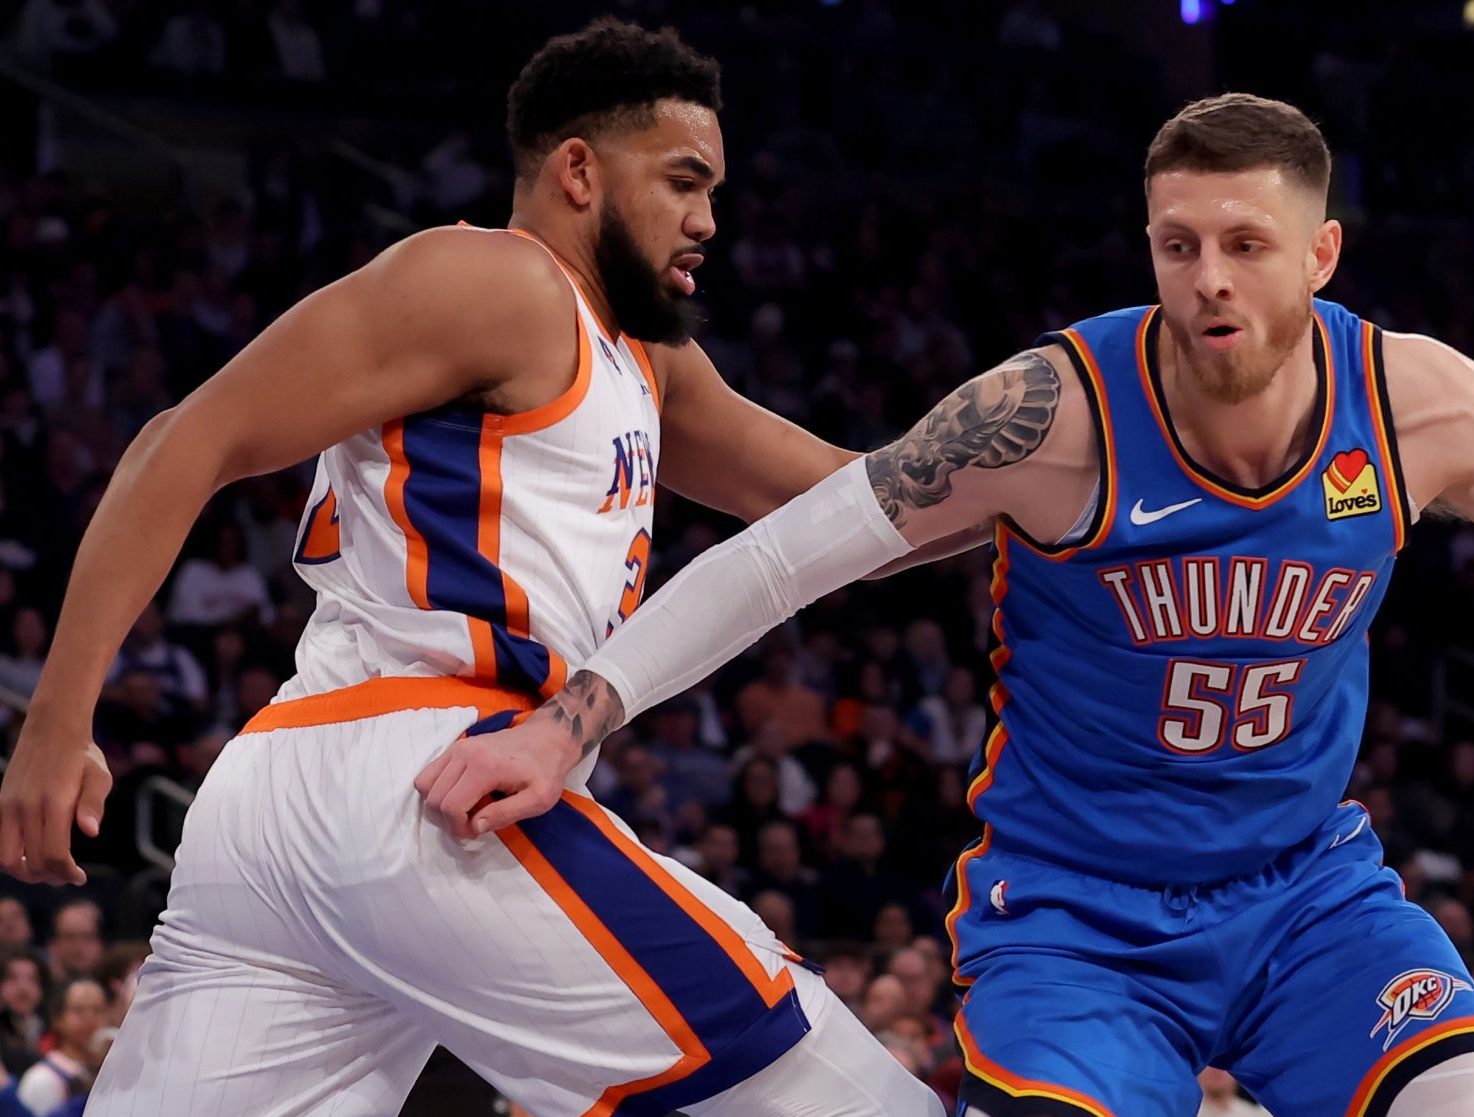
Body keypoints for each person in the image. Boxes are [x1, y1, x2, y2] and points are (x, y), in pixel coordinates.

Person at [421, 94, 1474, 1116]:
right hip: (1077, 913)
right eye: (1177, 243)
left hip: (1304, 893)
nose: (1207, 278)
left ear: (1320, 254)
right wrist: (569, 722)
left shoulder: (1421, 403)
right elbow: (784, 557)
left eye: (1245, 243)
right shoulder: (1043, 417)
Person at [0, 17, 941, 1117]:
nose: (707, 222)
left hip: (290, 803)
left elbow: (851, 502)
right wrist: (58, 721)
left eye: (717, 192)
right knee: (849, 1098)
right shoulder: (496, 279)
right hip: (423, 773)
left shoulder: (646, 361)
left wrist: (1069, 486)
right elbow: (187, 439)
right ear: (578, 171)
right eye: (685, 182)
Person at [12, 979, 105, 1117]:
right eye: (79, 1010)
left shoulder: (109, 1072)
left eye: (97, 1010)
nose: (90, 1018)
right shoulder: (42, 1079)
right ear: (57, 1018)